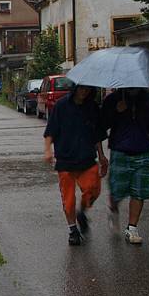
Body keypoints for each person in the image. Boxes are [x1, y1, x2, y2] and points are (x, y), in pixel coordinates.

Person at [100, 87, 149, 245]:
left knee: (139, 191)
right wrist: (115, 111)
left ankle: (132, 228)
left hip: (143, 152)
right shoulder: (113, 99)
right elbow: (101, 124)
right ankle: (114, 210)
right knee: (117, 190)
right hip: (120, 151)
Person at [43, 85, 108, 245]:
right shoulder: (61, 105)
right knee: (69, 199)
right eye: (81, 88)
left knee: (93, 190)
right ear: (75, 88)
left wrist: (101, 155)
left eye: (87, 89)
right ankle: (73, 230)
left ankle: (82, 212)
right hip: (66, 160)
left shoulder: (92, 107)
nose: (84, 91)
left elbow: (97, 134)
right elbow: (50, 130)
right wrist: (47, 150)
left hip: (87, 158)